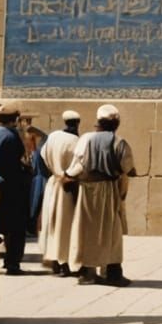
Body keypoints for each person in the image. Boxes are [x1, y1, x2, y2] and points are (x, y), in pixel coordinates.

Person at [66, 104, 137, 286]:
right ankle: (112, 273)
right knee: (111, 232)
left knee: (87, 230)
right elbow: (128, 168)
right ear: (115, 123)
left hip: (87, 190)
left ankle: (87, 273)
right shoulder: (118, 142)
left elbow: (77, 166)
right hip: (108, 189)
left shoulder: (85, 139)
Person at [0, 101, 30, 275]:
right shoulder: (10, 136)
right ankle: (12, 262)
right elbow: (13, 162)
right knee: (16, 226)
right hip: (12, 185)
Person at [39, 110, 83, 273]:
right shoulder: (76, 141)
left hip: (53, 184)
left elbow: (43, 157)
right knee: (65, 226)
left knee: (52, 224)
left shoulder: (53, 137)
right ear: (77, 123)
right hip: (67, 185)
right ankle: (64, 262)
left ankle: (55, 260)